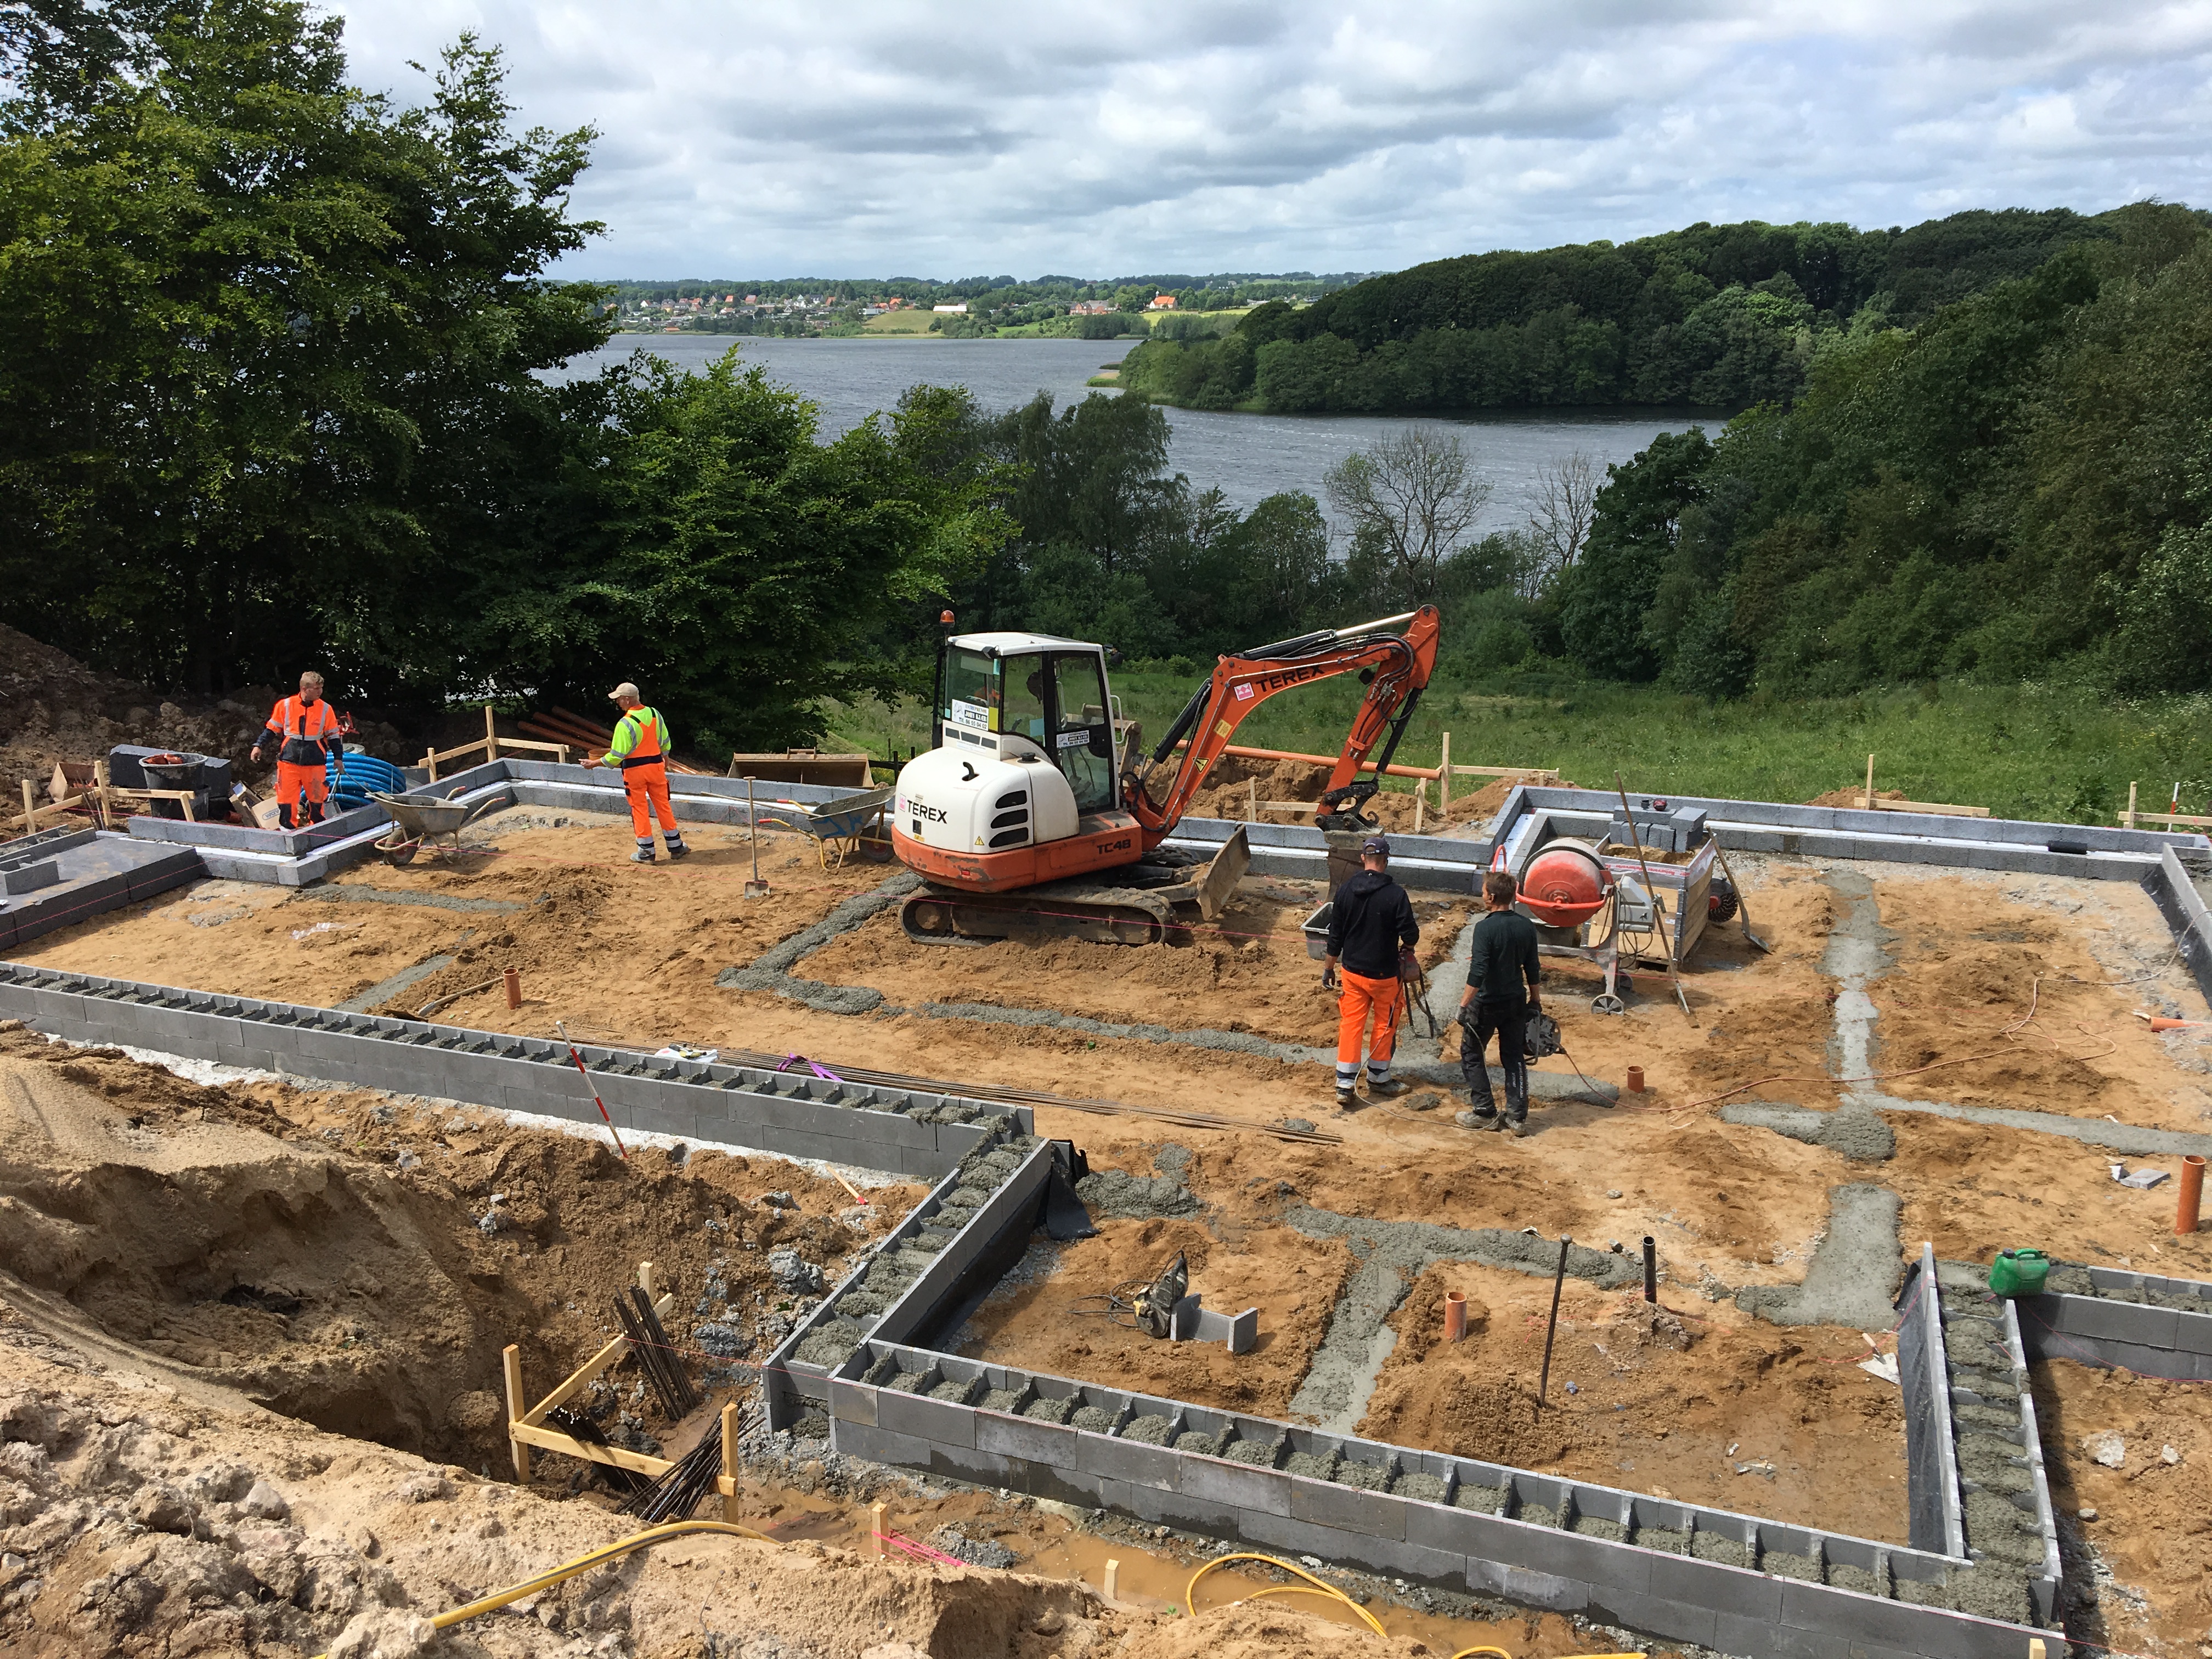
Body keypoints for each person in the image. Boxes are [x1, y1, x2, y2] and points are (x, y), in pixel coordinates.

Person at [1321, 834, 1419, 1111]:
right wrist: (1408, 946)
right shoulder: (1396, 895)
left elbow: (1335, 936)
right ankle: (1378, 1077)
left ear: (1363, 858)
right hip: (1384, 976)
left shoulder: (1345, 891)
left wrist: (1329, 968)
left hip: (1352, 972)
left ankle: (1344, 1084)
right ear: (1386, 860)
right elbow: (1410, 933)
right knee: (1385, 1024)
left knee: (1351, 1024)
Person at [1455, 870, 1543, 1136]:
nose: (1482, 896)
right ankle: (1516, 1117)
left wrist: (1463, 1005)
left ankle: (1484, 1111)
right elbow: (1533, 966)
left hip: (1486, 1003)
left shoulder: (1485, 928)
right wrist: (1536, 999)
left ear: (1491, 897)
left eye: (1484, 892)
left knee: (1472, 1053)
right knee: (1514, 1056)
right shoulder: (1526, 926)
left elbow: (1479, 971)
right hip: (1516, 1001)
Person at [583, 682, 690, 864]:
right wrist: (666, 759)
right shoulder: (655, 714)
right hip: (656, 768)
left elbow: (617, 755)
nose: (617, 703)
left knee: (639, 809)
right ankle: (676, 846)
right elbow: (665, 740)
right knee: (663, 805)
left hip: (635, 772)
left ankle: (647, 852)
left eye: (619, 699)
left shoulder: (625, 724)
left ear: (627, 699)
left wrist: (594, 764)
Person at [250, 672, 346, 830]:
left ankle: (317, 830)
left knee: (317, 799)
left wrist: (338, 758)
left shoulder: (326, 709)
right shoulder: (285, 705)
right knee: (286, 800)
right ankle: (287, 832)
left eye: (321, 688)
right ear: (304, 688)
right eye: (316, 689)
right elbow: (271, 730)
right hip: (289, 761)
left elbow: (334, 736)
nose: (320, 692)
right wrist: (258, 746)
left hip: (315, 762)